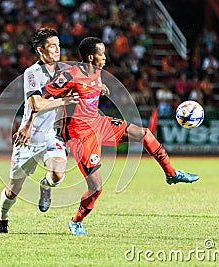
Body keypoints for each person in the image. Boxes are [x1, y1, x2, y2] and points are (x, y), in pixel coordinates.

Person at [43, 37, 199, 235]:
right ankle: (76, 221)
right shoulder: (68, 76)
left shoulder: (96, 73)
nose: (105, 58)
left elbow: (87, 91)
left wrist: (98, 88)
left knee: (144, 134)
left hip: (98, 123)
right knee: (96, 187)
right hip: (79, 133)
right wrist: (59, 104)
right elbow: (41, 98)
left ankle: (171, 174)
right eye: (102, 54)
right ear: (91, 57)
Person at [0, 28, 78, 233]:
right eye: (52, 46)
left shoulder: (65, 70)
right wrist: (64, 100)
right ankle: (2, 217)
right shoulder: (32, 73)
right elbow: (37, 104)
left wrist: (97, 86)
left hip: (52, 133)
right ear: (41, 50)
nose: (57, 49)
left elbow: (82, 84)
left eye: (58, 45)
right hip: (30, 138)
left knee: (58, 174)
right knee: (14, 189)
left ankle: (46, 186)